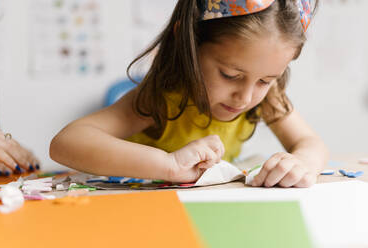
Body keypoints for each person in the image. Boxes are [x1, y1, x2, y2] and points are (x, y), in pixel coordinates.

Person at [50, 0, 329, 188]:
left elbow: (310, 142)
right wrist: (168, 165)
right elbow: (66, 142)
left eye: (266, 80)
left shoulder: (268, 97)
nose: (245, 98)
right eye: (231, 76)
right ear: (189, 45)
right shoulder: (162, 97)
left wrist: (301, 162)